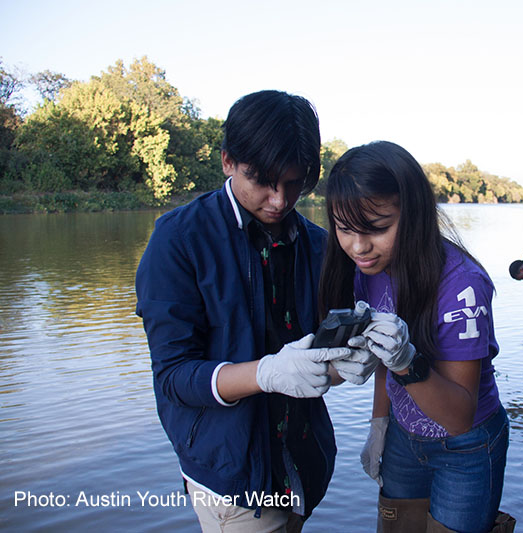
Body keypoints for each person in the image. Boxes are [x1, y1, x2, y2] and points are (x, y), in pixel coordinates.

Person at [135, 90, 376, 533]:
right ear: (228, 161)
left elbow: (318, 359)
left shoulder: (320, 246)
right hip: (230, 476)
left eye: (294, 182)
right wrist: (264, 373)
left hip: (303, 463)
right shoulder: (178, 241)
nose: (280, 200)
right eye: (261, 180)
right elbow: (173, 377)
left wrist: (354, 362)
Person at [318, 141, 513, 533]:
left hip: (467, 448)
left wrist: (406, 362)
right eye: (344, 229)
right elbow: (379, 361)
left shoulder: (461, 288)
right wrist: (379, 426)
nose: (358, 247)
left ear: (415, 214)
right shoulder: (368, 269)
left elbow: (459, 416)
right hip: (403, 437)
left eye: (377, 228)